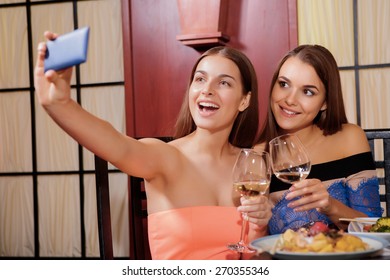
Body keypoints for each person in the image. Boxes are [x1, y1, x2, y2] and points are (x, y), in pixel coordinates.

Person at [34, 31, 272, 259]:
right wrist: (60, 103)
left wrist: (261, 226)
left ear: (244, 100)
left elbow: (259, 263)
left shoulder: (251, 167)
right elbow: (118, 145)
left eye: (224, 83)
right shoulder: (165, 156)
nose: (207, 90)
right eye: (200, 79)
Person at [254, 44, 382, 235]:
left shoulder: (349, 138)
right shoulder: (259, 155)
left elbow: (376, 230)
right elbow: (257, 242)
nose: (290, 99)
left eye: (307, 91)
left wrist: (331, 206)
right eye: (284, 84)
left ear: (325, 102)